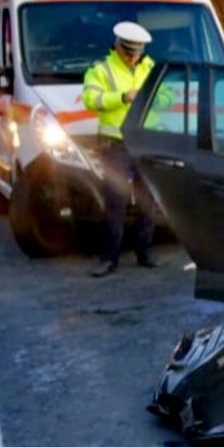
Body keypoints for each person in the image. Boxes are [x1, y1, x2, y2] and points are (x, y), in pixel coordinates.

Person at [82, 21, 169, 277]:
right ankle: (109, 258)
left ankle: (145, 252)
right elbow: (91, 99)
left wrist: (150, 97)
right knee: (115, 202)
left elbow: (166, 98)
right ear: (118, 46)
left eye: (137, 52)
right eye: (128, 52)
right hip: (114, 143)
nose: (133, 57)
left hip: (146, 141)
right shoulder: (101, 69)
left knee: (148, 199)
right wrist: (121, 97)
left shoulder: (150, 67)